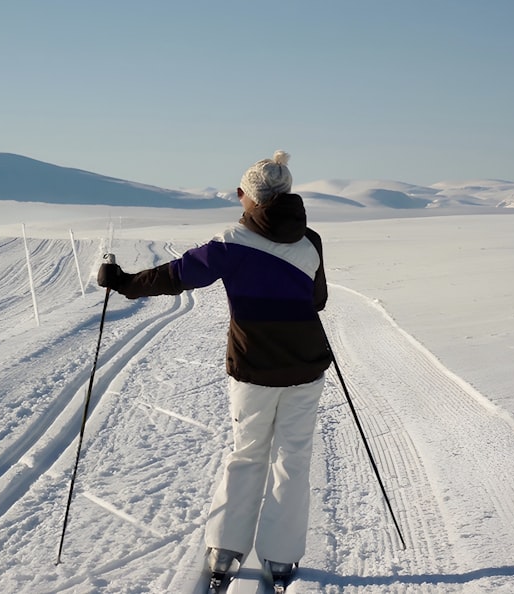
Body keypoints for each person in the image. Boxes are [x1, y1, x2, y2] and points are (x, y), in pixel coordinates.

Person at [96, 151, 332, 587]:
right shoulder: (311, 239)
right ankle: (280, 559)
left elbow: (176, 276)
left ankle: (226, 551)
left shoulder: (231, 242)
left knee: (248, 453)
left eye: (240, 192)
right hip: (306, 364)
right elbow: (317, 300)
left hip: (254, 367)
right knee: (293, 457)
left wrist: (122, 282)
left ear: (250, 197)